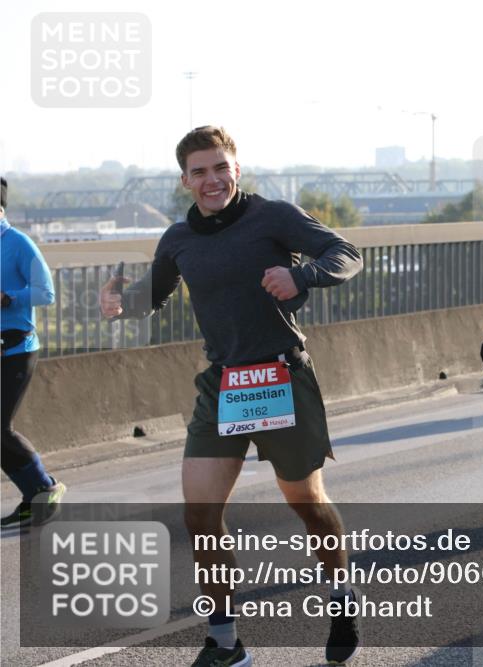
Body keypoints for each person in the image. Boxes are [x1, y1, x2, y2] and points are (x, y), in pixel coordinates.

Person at [99, 127, 364, 667]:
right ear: (185, 181)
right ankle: (225, 642)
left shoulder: (273, 216)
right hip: (223, 385)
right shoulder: (178, 238)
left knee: (307, 505)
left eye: (221, 167)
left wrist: (302, 275)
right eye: (199, 171)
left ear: (236, 170)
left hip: (281, 378)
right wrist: (120, 305)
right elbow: (154, 294)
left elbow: (347, 253)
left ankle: (341, 593)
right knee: (199, 513)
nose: (212, 179)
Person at [1, 176, 65, 530]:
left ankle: (44, 487)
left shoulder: (18, 243)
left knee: (0, 428)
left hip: (17, 347)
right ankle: (32, 497)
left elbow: (46, 293)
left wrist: (9, 297)